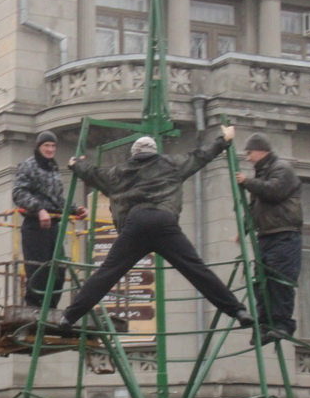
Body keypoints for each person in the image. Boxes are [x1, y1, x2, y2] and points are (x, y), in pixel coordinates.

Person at [59, 126, 252, 331]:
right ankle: (238, 311)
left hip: (135, 225)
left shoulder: (119, 173)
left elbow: (92, 173)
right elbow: (200, 156)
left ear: (134, 154)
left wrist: (74, 164)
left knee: (107, 273)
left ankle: (69, 316)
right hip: (164, 222)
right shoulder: (172, 165)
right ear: (155, 151)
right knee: (197, 270)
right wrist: (224, 140)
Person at [235, 132, 303, 343]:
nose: (248, 158)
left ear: (261, 150)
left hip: (284, 234)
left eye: (249, 152)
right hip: (266, 236)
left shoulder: (282, 169)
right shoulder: (263, 175)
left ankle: (282, 325)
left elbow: (273, 192)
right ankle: (265, 325)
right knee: (261, 282)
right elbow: (256, 208)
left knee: (279, 280)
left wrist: (247, 182)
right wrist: (245, 229)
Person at [13, 131, 88, 311]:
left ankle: (50, 308)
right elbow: (19, 193)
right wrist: (39, 210)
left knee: (58, 270)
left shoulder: (53, 169)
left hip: (53, 226)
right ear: (39, 147)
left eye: (53, 146)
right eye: (46, 145)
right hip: (35, 226)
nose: (50, 149)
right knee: (39, 270)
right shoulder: (28, 166)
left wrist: (76, 208)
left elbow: (57, 200)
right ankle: (34, 308)